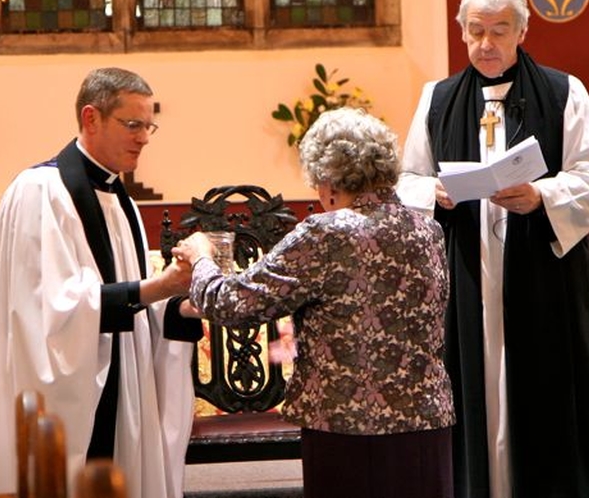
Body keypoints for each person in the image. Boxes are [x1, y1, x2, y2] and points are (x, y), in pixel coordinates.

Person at [396, 0, 589, 498]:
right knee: (473, 388)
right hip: (467, 269)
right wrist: (438, 194)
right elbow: (406, 180)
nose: (485, 44)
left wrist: (542, 197)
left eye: (498, 31)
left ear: (522, 30)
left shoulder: (564, 92)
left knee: (542, 394)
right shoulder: (438, 98)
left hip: (541, 275)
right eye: (475, 32)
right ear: (462, 32)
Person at [173, 107, 456, 498]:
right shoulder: (427, 229)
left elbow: (233, 304)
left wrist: (201, 256)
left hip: (348, 428)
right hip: (426, 423)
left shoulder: (326, 232)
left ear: (327, 180)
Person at [0, 67, 203, 498]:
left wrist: (180, 302)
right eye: (132, 124)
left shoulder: (122, 202)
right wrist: (160, 286)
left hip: (122, 386)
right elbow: (50, 313)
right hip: (61, 400)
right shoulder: (40, 191)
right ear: (91, 118)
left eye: (148, 126)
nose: (144, 138)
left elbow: (134, 301)